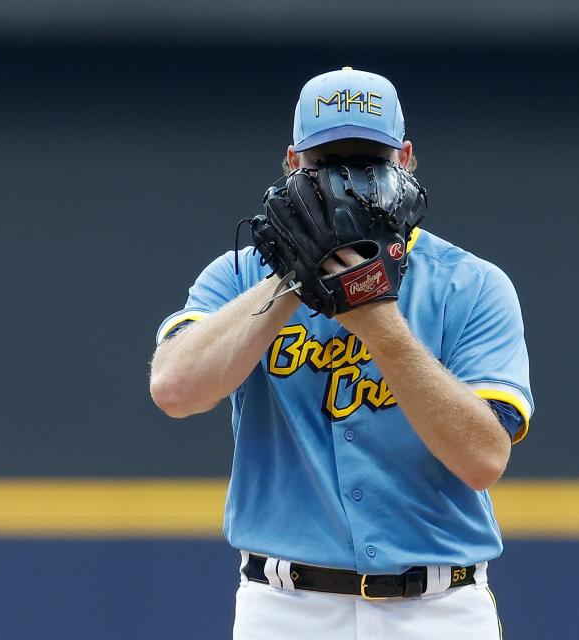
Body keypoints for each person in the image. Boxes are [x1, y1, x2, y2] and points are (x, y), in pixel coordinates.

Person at [149, 67, 533, 640]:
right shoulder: (240, 275)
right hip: (286, 609)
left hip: (437, 608)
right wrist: (290, 278)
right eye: (327, 165)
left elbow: (483, 460)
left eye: (367, 162)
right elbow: (176, 391)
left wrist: (379, 322)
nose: (346, 183)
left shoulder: (470, 284)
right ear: (292, 165)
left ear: (405, 160)